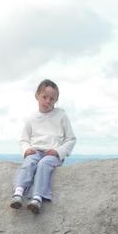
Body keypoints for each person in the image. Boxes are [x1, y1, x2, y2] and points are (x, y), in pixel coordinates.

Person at [8, 79, 76, 214]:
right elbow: (24, 139)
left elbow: (71, 139)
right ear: (37, 96)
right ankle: (18, 192)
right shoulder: (31, 117)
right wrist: (27, 149)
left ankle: (37, 198)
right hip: (36, 150)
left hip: (52, 153)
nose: (48, 101)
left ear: (56, 100)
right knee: (29, 162)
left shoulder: (61, 115)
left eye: (52, 99)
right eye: (44, 97)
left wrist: (58, 151)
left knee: (43, 165)